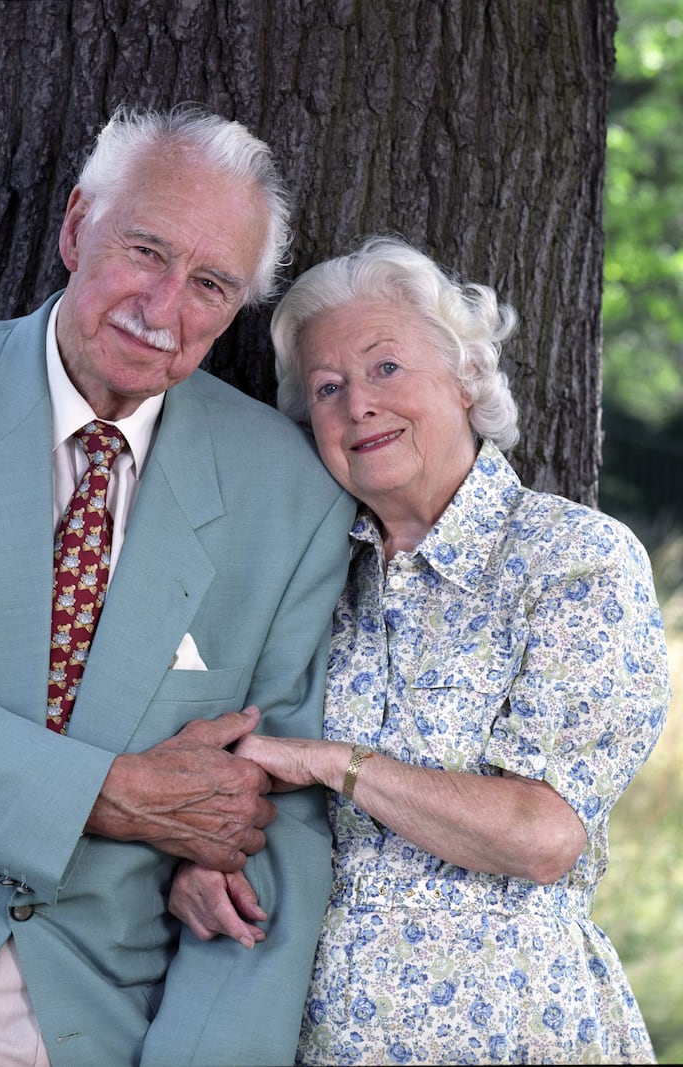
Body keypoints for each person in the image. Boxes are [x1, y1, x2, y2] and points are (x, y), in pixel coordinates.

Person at [0, 105, 357, 1067]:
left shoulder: (291, 495)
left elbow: (273, 835)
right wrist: (120, 795)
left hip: (102, 1026)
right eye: (145, 251)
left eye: (211, 284)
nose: (163, 308)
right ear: (73, 227)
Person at [169, 236, 671, 1065]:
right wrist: (205, 856)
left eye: (386, 368)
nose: (357, 404)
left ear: (467, 377)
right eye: (327, 388)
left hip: (511, 1032)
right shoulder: (312, 573)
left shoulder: (573, 558)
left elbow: (540, 833)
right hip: (304, 1035)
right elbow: (240, 763)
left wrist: (336, 763)